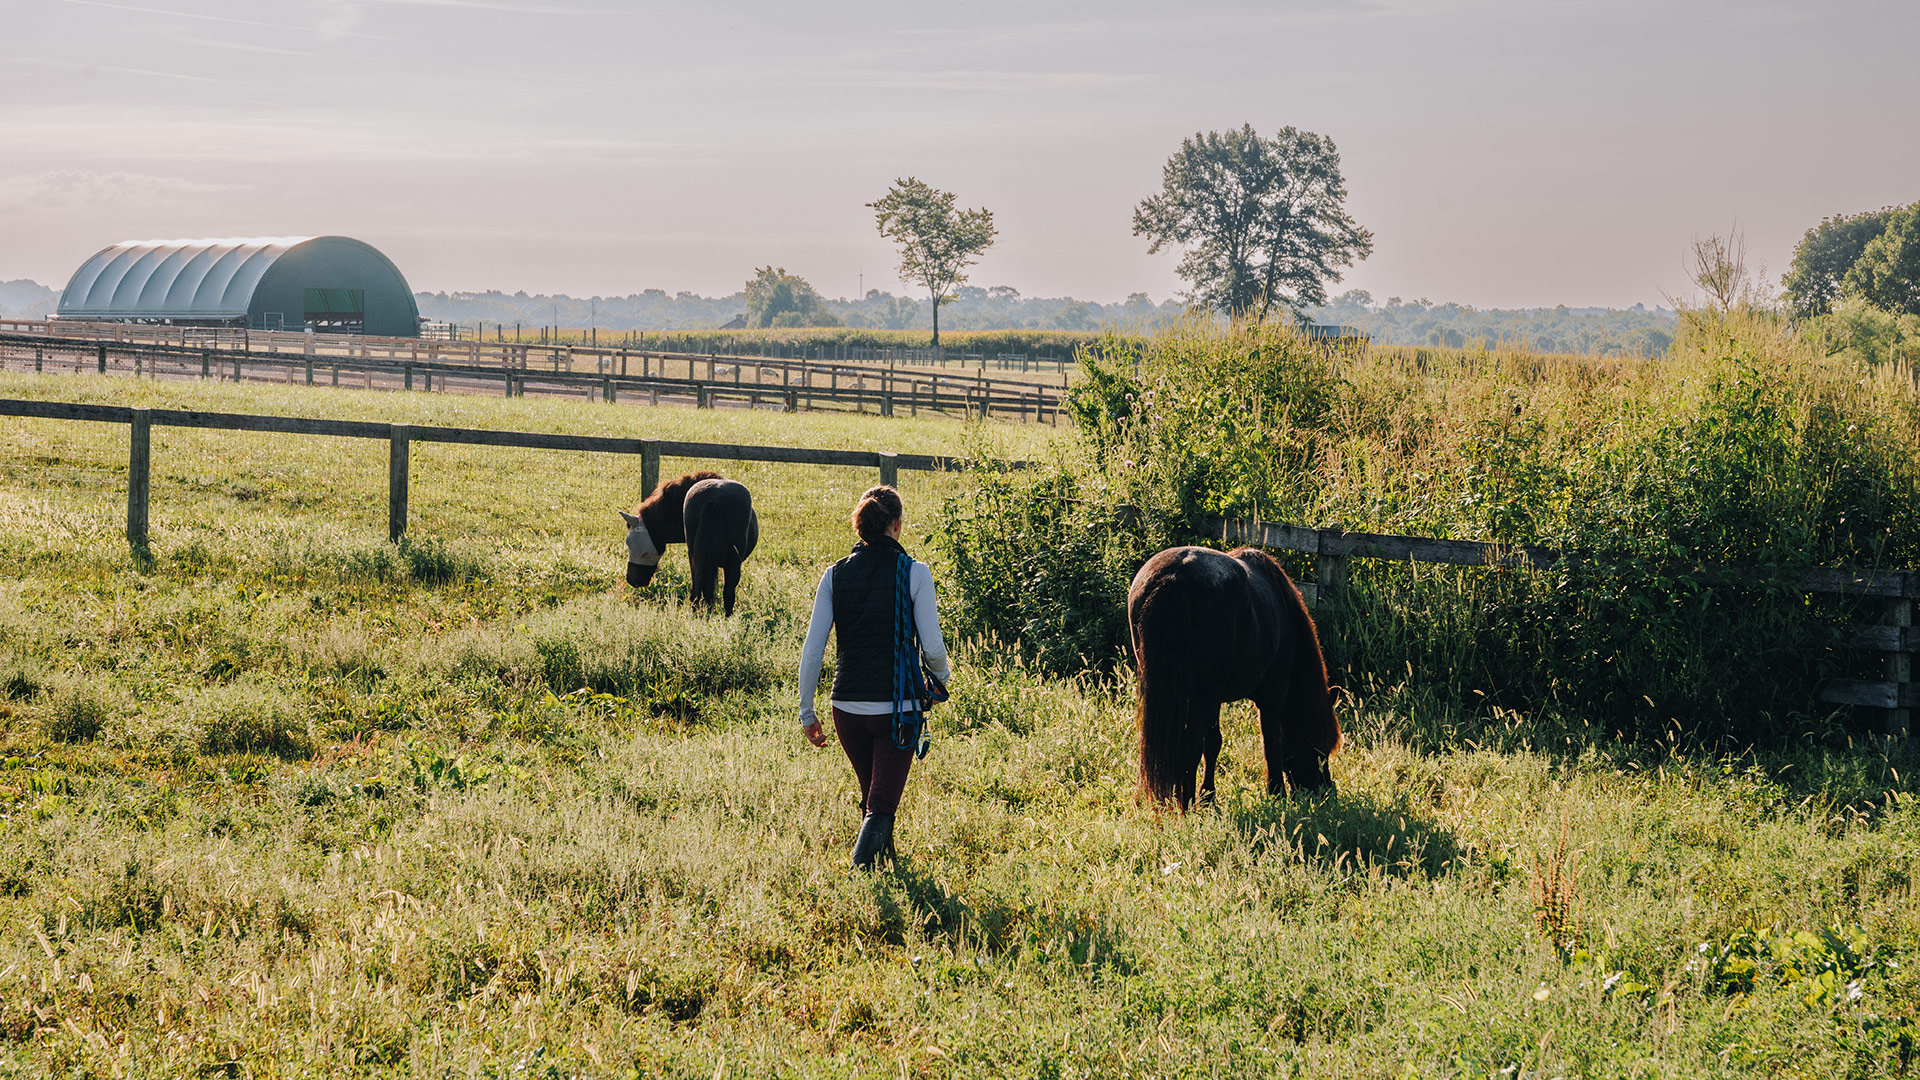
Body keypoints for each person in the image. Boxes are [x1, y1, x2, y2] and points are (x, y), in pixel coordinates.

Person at [797, 485, 950, 868]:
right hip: (896, 709)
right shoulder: (915, 572)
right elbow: (931, 646)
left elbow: (813, 649)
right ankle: (859, 878)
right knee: (881, 803)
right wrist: (941, 678)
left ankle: (887, 866)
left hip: (844, 708)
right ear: (896, 524)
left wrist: (806, 711)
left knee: (873, 796)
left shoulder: (833, 575)